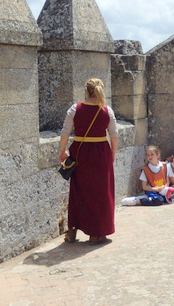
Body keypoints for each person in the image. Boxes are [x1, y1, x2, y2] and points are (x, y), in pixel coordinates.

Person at [58, 78, 118, 245]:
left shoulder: (75, 109)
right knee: (101, 194)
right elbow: (114, 135)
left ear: (86, 91)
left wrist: (62, 151)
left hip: (80, 152)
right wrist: (112, 154)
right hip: (101, 154)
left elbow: (65, 133)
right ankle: (96, 234)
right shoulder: (107, 111)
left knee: (78, 192)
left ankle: (72, 232)